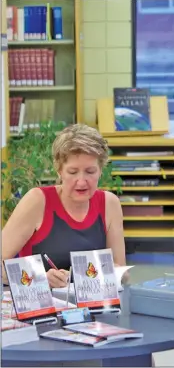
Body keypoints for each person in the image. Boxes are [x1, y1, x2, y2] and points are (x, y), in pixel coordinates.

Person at [2, 124, 127, 289]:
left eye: (90, 172)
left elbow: (123, 273)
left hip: (94, 309)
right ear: (59, 170)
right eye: (73, 172)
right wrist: (39, 278)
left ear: (100, 170)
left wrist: (80, 276)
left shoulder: (109, 203)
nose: (81, 182)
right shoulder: (37, 201)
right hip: (42, 306)